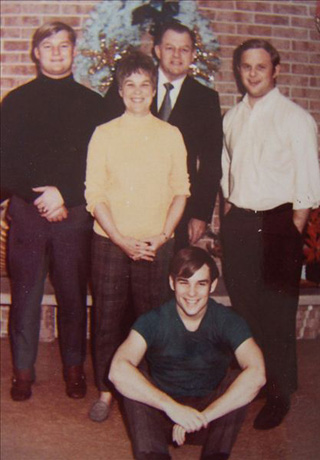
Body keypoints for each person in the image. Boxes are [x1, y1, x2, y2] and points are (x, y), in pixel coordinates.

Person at [1, 22, 107, 401]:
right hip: (27, 215)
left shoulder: (93, 104)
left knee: (73, 295)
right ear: (36, 53)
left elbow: (98, 164)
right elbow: (6, 162)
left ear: (74, 52)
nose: (57, 52)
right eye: (49, 46)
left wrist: (66, 195)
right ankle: (23, 370)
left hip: (73, 214)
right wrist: (37, 198)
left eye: (64, 46)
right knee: (25, 296)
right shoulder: (15, 101)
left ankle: (74, 368)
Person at [85, 51, 190, 422]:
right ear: (119, 89)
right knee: (107, 320)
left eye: (145, 84)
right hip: (110, 242)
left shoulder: (170, 135)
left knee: (153, 322)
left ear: (154, 88)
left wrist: (162, 236)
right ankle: (105, 391)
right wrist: (119, 238)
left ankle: (148, 395)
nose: (137, 91)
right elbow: (94, 193)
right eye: (130, 84)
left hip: (154, 245)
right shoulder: (104, 134)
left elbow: (181, 190)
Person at [221, 39, 320, 430]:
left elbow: (309, 183)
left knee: (277, 313)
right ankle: (259, 377)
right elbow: (228, 177)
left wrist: (291, 230)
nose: (253, 74)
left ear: (274, 69)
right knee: (245, 308)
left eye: (261, 66)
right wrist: (230, 220)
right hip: (241, 222)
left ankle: (281, 394)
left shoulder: (296, 118)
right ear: (238, 70)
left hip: (280, 223)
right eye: (246, 66)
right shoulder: (232, 118)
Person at [109, 246, 265, 460]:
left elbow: (258, 374)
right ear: (172, 283)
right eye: (184, 283)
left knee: (241, 379)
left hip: (210, 418)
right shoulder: (153, 319)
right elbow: (117, 370)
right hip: (163, 417)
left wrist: (203, 416)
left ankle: (215, 455)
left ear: (213, 286)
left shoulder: (228, 320)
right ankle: (153, 455)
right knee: (133, 378)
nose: (192, 293)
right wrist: (172, 408)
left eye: (201, 284)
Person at [104, 22, 223, 250]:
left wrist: (200, 213)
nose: (176, 55)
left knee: (167, 277)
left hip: (176, 210)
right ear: (157, 51)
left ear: (193, 55)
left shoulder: (205, 100)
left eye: (184, 49)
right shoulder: (133, 86)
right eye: (170, 48)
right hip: (126, 203)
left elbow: (210, 162)